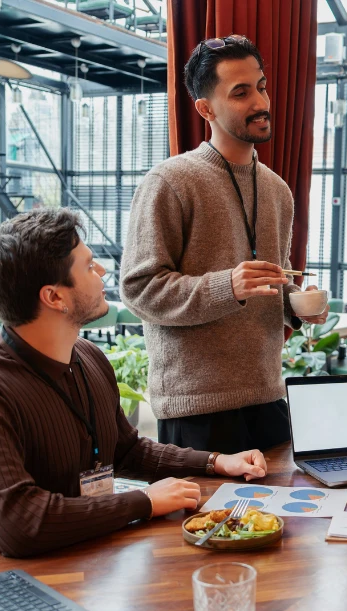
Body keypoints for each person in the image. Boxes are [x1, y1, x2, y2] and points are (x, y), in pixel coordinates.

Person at [0, 209, 269, 562]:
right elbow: (20, 524)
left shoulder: (88, 356)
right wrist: (144, 501)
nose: (103, 272)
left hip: (70, 551)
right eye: (90, 266)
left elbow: (127, 452)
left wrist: (216, 462)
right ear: (55, 297)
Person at [120, 35, 326, 454]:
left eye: (262, 86)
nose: (261, 102)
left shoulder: (277, 190)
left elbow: (271, 280)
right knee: (211, 522)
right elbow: (139, 289)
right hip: (194, 407)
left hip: (267, 395)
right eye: (241, 92)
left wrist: (296, 303)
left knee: (279, 520)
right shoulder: (170, 181)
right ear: (205, 109)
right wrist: (226, 287)